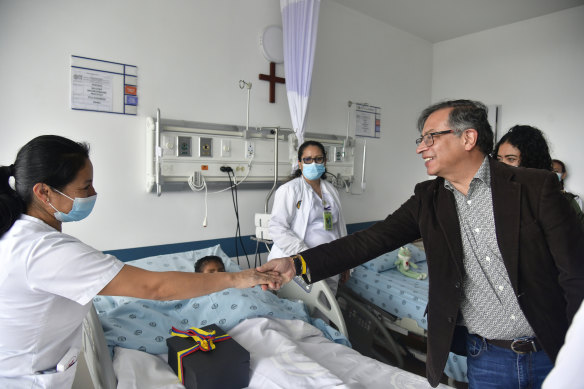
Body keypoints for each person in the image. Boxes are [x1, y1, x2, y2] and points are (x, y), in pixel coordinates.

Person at [258, 100, 584, 388]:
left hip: (553, 346)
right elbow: (369, 240)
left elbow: (573, 272)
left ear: (468, 138)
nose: (420, 148)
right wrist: (297, 262)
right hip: (487, 356)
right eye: (421, 139)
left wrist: (576, 346)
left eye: (431, 137)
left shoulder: (534, 188)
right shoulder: (428, 200)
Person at [0, 135, 281, 388]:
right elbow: (156, 288)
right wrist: (240, 278)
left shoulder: (18, 234)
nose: (94, 194)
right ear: (43, 192)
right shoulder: (44, 250)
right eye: (85, 187)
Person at [268, 140, 349, 295]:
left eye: (318, 159)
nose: (314, 163)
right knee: (300, 311)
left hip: (330, 261)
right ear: (300, 164)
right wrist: (306, 255)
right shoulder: (289, 190)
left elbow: (339, 227)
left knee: (325, 310)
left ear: (325, 162)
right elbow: (277, 227)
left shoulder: (331, 190)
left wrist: (345, 261)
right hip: (298, 262)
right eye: (308, 159)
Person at [493, 126, 584, 223]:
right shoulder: (494, 197)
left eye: (511, 159)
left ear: (531, 161)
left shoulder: (561, 201)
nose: (502, 165)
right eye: (499, 159)